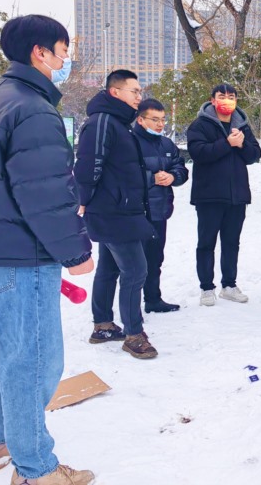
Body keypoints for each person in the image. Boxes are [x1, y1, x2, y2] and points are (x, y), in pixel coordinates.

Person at [0, 15, 95, 484]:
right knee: (32, 364)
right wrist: (75, 252)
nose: (66, 58)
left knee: (2, 356)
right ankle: (36, 470)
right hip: (22, 256)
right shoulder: (32, 109)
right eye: (63, 50)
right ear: (40, 52)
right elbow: (45, 193)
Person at [75, 69, 158, 360]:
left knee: (110, 269)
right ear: (115, 92)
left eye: (140, 91)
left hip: (121, 209)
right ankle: (134, 335)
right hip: (113, 212)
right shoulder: (101, 122)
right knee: (136, 271)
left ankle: (103, 325)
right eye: (134, 91)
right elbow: (88, 165)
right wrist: (84, 200)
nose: (139, 96)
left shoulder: (119, 123)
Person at [187, 83, 261, 306]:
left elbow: (254, 154)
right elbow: (198, 153)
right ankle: (206, 288)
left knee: (231, 242)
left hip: (236, 196)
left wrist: (241, 144)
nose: (227, 100)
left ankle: (229, 285)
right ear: (213, 100)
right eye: (222, 96)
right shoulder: (200, 125)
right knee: (206, 243)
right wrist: (227, 143)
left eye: (231, 96)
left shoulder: (242, 125)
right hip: (209, 195)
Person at [133, 98, 189, 313]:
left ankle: (153, 299)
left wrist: (173, 176)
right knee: (134, 263)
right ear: (140, 119)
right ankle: (130, 305)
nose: (160, 124)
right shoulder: (129, 141)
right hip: (135, 212)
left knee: (155, 258)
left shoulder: (166, 144)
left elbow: (181, 168)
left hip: (159, 211)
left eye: (163, 120)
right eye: (154, 119)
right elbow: (125, 174)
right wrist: (151, 178)